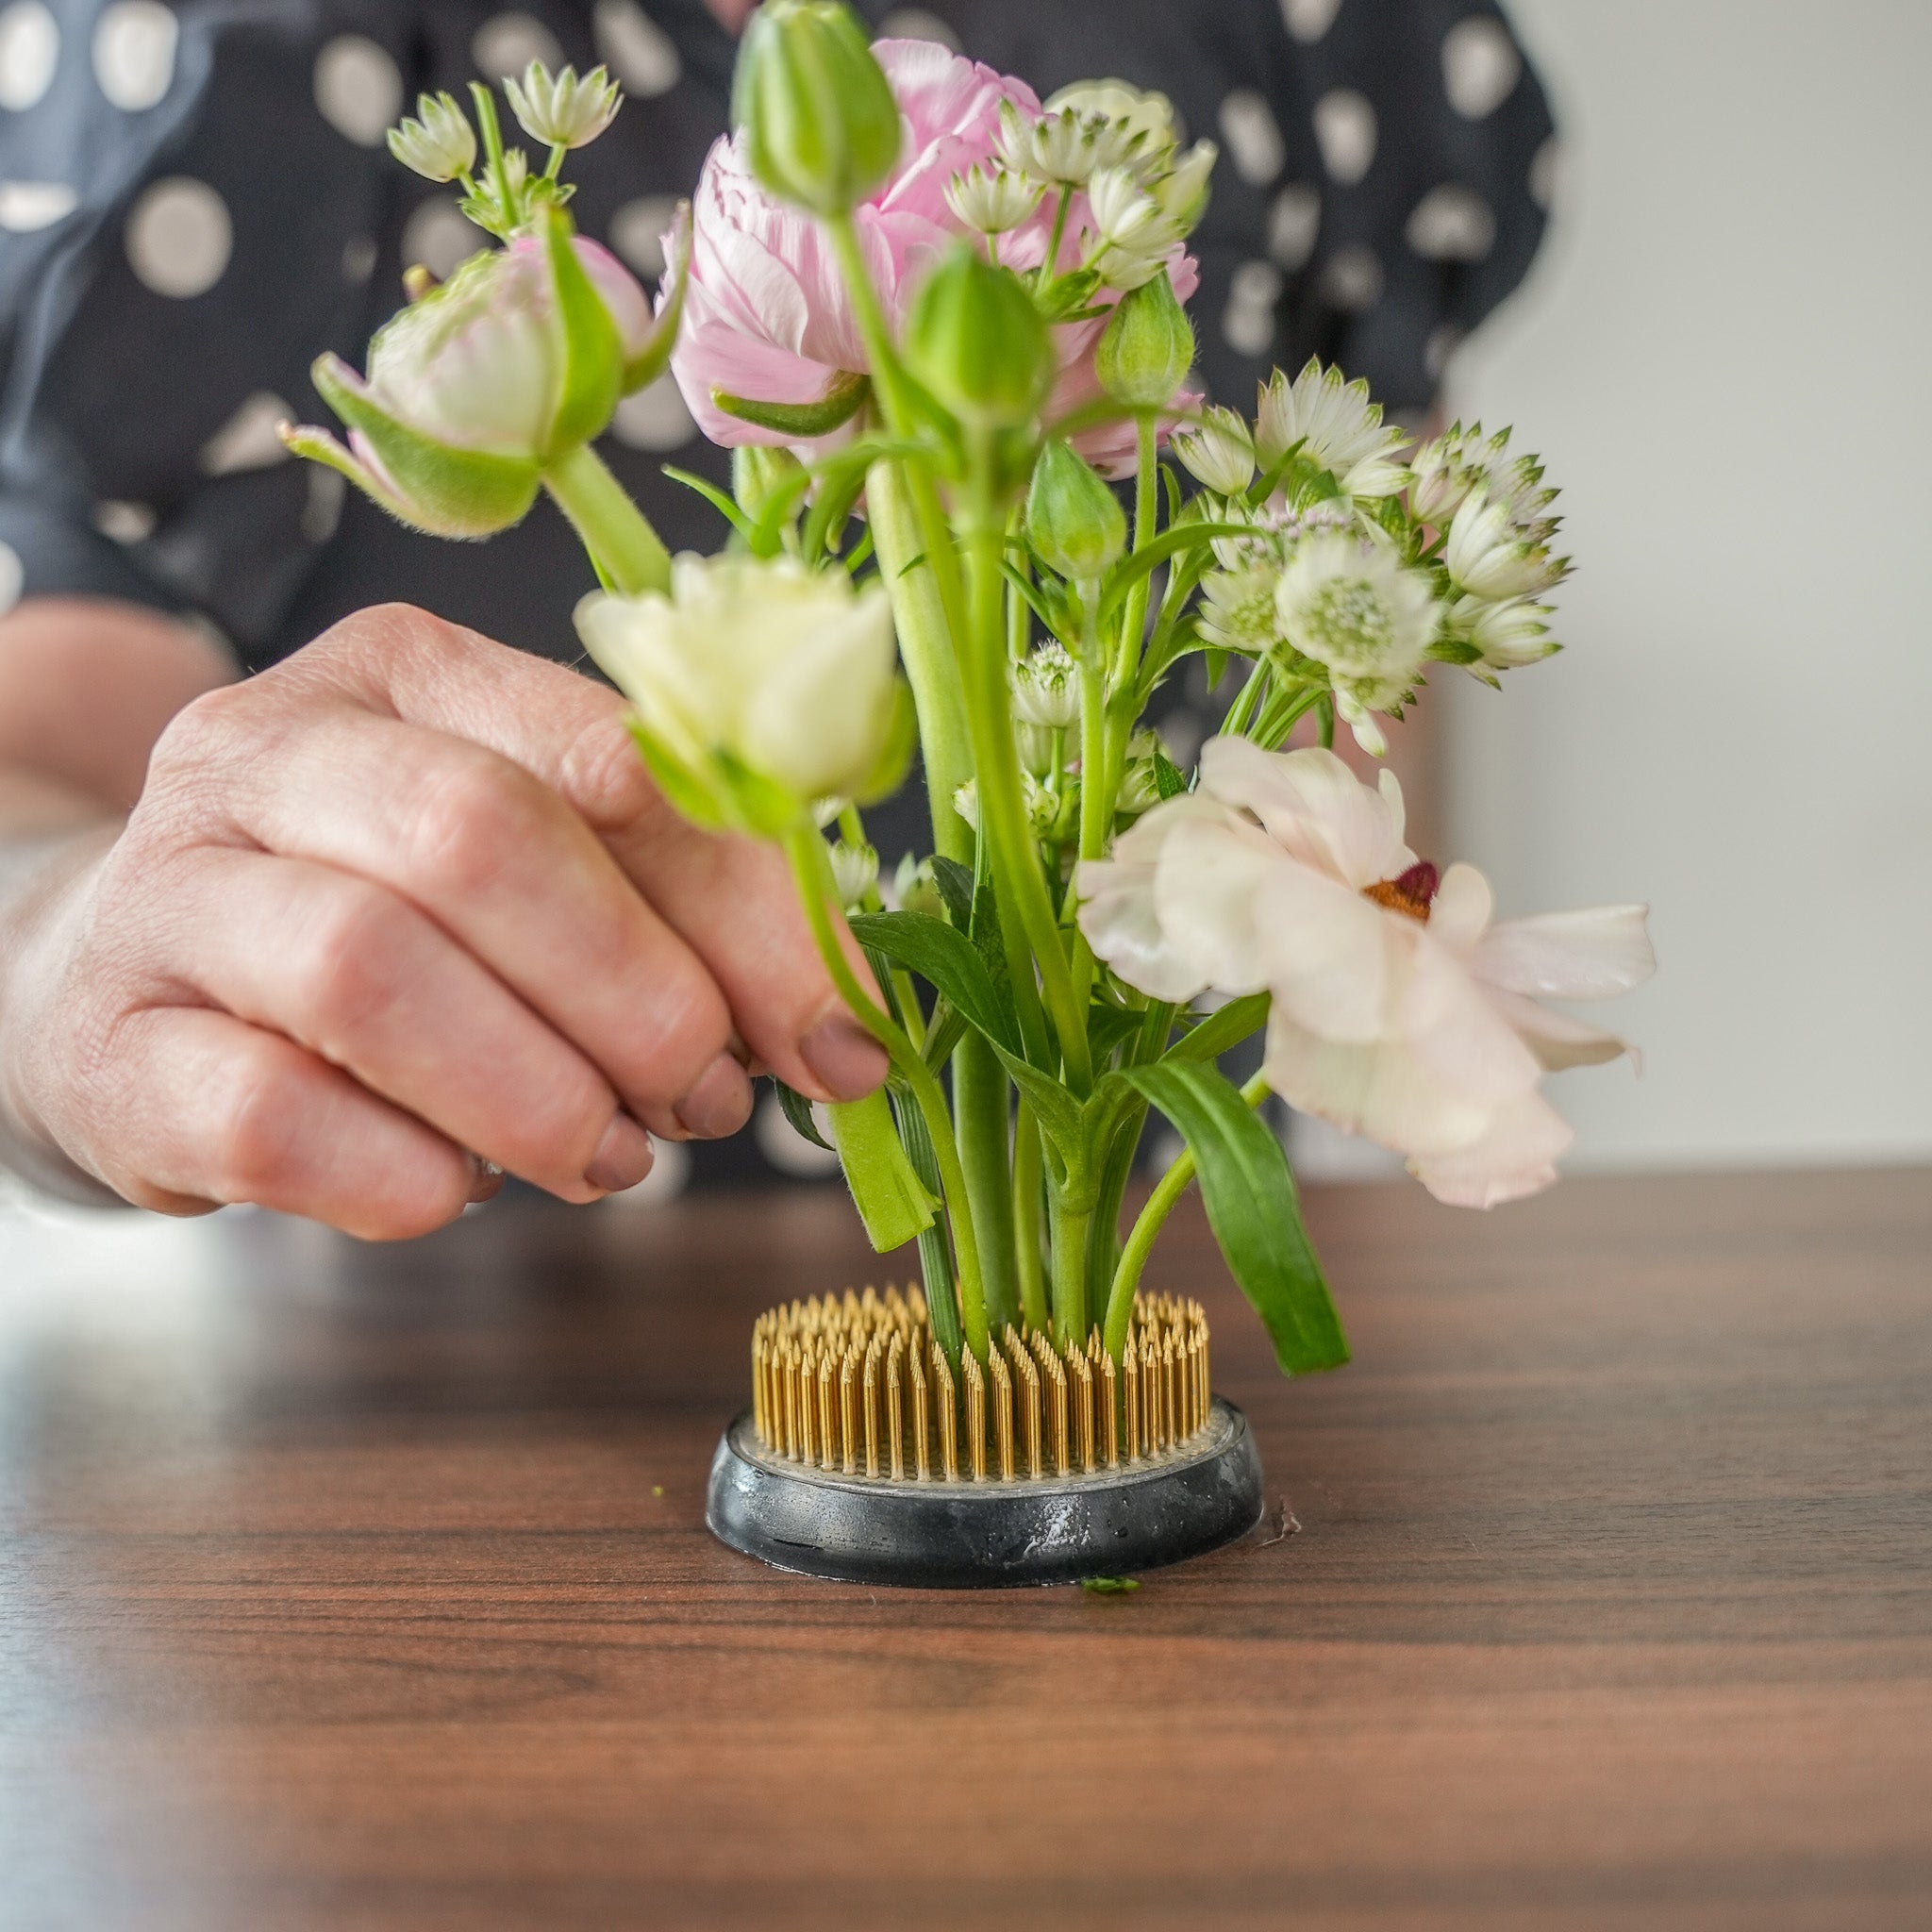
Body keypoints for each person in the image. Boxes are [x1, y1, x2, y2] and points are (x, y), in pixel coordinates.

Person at [0, 0, 1553, 1226]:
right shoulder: (218, 48)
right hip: (443, 1396)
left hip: (1157, 1329)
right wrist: (58, 969)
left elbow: (1359, 664)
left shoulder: (1310, 33)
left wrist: (1397, 1032)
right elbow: (49, 769)